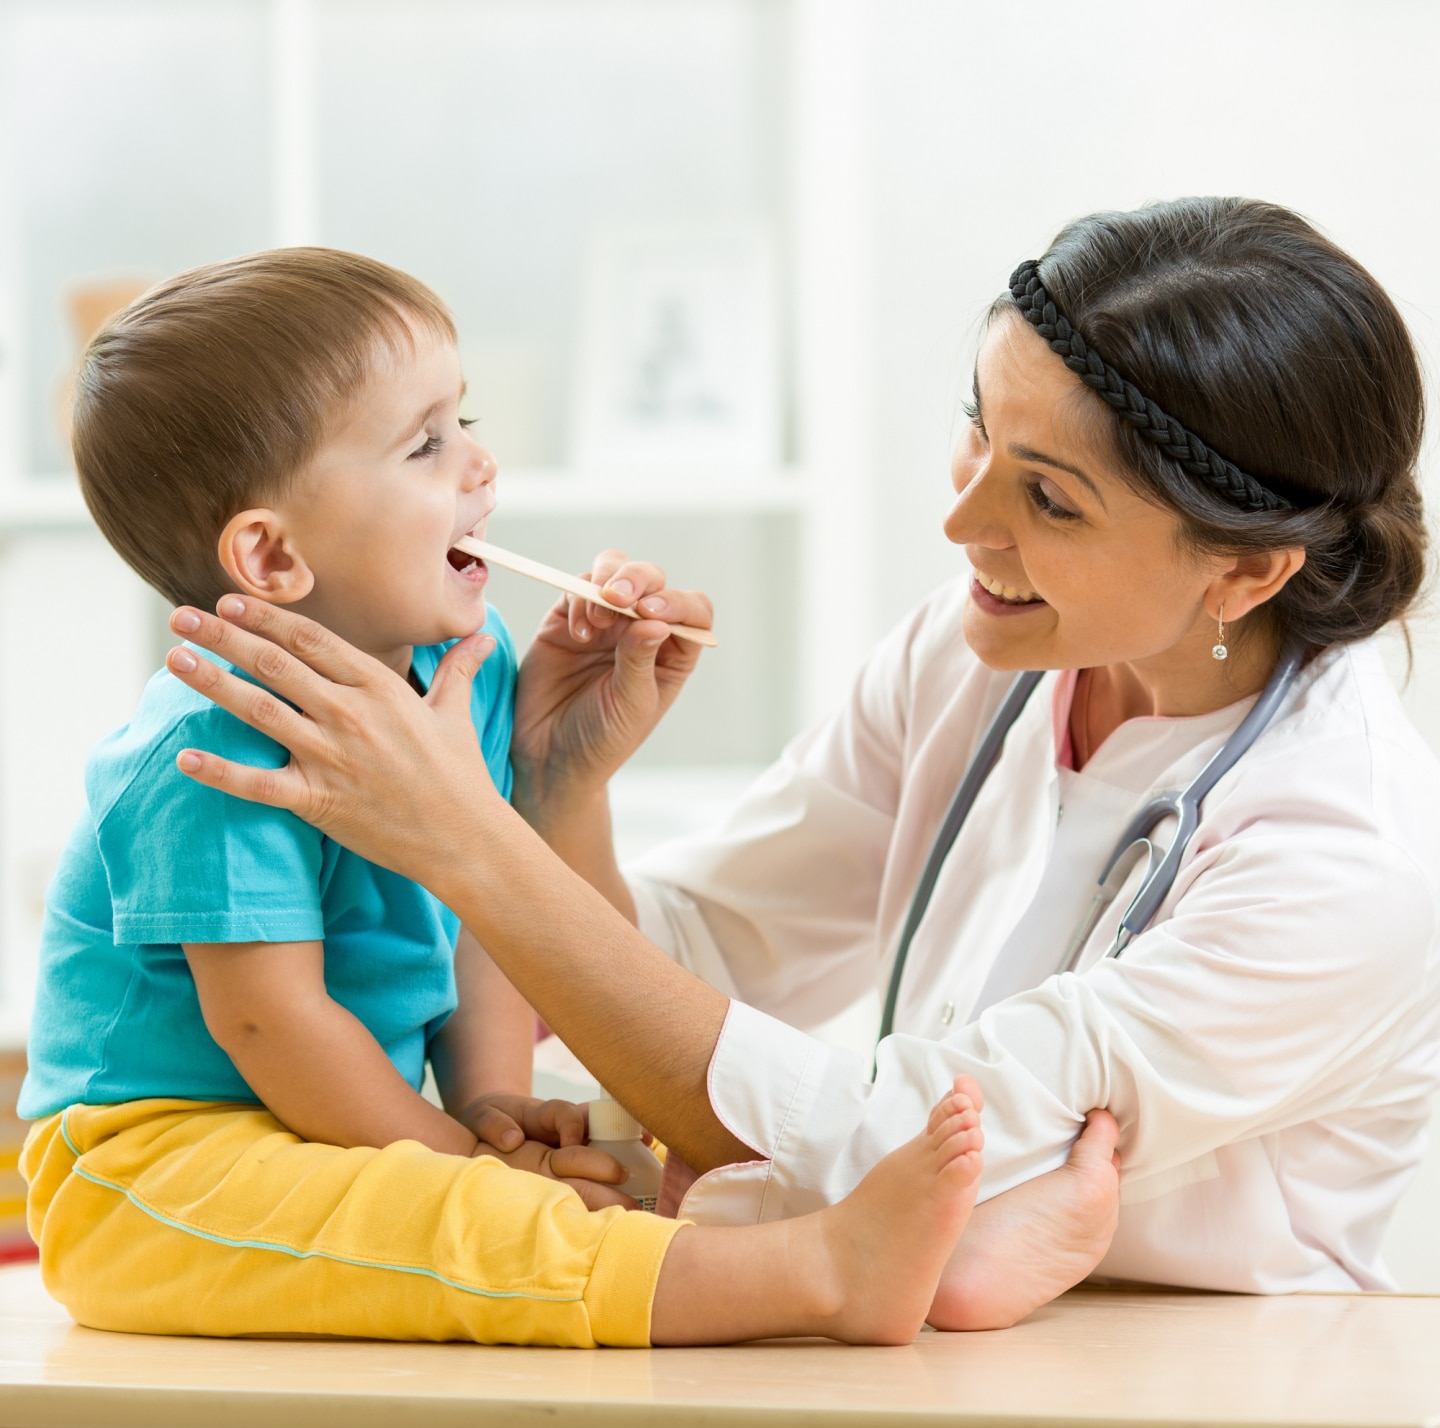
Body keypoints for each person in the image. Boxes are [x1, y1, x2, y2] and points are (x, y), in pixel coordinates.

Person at [158, 198, 1440, 1313]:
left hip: (1213, 1376)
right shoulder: (978, 649)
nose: (960, 518)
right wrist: (555, 797)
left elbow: (885, 1146)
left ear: (1246, 568)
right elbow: (694, 978)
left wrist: (467, 837)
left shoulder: (1343, 858)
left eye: (1048, 498)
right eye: (977, 429)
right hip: (933, 1344)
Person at [18, 246, 1116, 1348]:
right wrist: (458, 1159)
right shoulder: (211, 752)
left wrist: (489, 1105)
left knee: (595, 1166)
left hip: (326, 1128)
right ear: (271, 554)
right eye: (426, 443)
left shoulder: (470, 663)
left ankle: (870, 1244)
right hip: (157, 1165)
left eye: (465, 421)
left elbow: (488, 913)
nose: (480, 466)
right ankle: (820, 1273)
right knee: (463, 1225)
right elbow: (275, 1023)